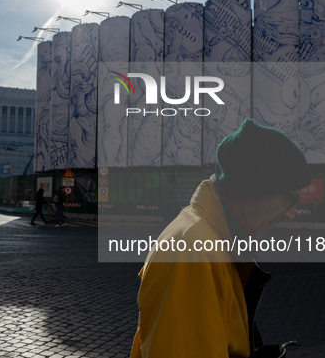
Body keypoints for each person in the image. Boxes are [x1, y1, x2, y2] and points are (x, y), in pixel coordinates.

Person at [130, 119, 312, 358]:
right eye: (292, 200)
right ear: (257, 188)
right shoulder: (192, 250)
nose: (291, 214)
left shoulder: (211, 238)